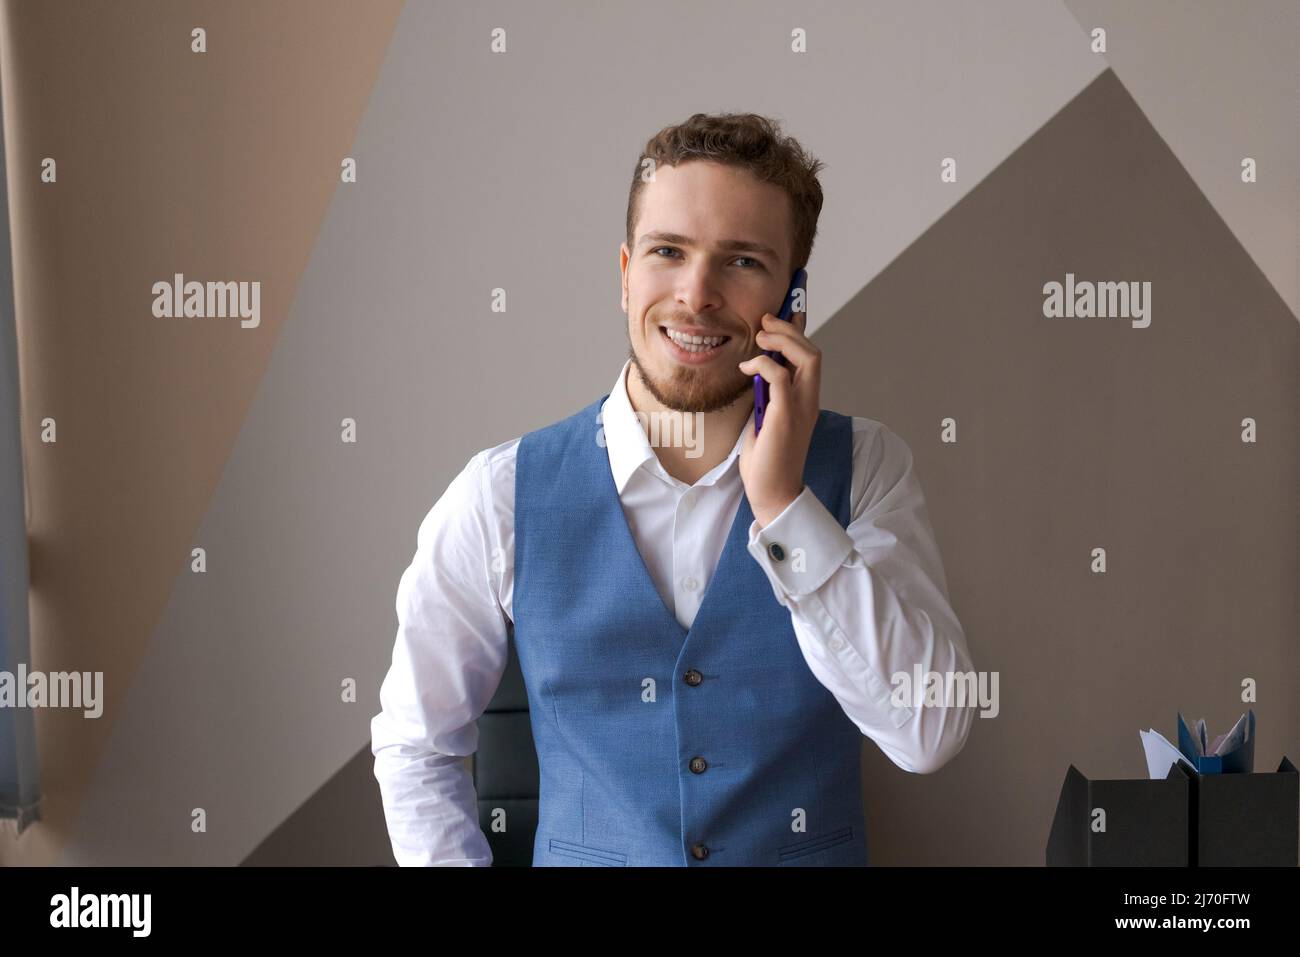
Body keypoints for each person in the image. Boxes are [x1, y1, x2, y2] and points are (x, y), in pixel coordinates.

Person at [371, 112, 974, 866]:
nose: (696, 294)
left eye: (743, 262)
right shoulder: (498, 495)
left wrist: (786, 506)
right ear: (626, 274)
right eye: (668, 252)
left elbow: (931, 733)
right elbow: (413, 748)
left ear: (792, 299)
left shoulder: (868, 467)